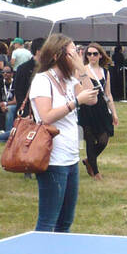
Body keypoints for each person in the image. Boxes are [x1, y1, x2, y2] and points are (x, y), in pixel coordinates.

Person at [29, 35, 97, 233]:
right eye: (73, 52)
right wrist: (75, 102)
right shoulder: (42, 80)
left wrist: (82, 69)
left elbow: (92, 98)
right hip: (52, 159)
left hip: (70, 157)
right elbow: (46, 117)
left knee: (66, 221)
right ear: (59, 55)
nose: (78, 55)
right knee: (48, 220)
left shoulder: (69, 79)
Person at [79, 42, 119, 179]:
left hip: (101, 109)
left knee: (103, 140)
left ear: (100, 55)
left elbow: (108, 94)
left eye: (95, 53)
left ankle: (89, 160)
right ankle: (95, 172)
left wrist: (114, 113)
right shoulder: (82, 70)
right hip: (87, 108)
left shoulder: (105, 72)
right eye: (89, 54)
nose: (92, 56)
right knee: (89, 140)